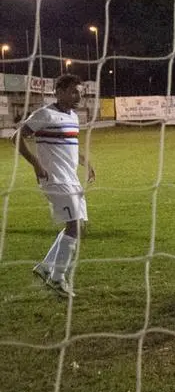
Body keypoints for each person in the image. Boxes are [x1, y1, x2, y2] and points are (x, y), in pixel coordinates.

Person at [12, 74, 95, 298]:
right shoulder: (45, 114)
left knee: (80, 226)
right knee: (75, 225)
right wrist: (36, 163)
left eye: (80, 92)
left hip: (71, 179)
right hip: (54, 179)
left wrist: (85, 163)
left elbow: (69, 145)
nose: (78, 96)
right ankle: (58, 279)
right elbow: (17, 137)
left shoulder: (74, 117)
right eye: (73, 91)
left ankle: (45, 267)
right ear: (58, 92)